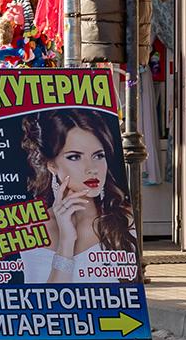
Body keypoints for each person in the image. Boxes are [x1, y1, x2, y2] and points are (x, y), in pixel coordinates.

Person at [18, 108, 136, 283]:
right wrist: (66, 240)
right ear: (52, 165)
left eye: (98, 155)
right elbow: (47, 305)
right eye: (75, 157)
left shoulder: (123, 218)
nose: (91, 168)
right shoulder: (32, 229)